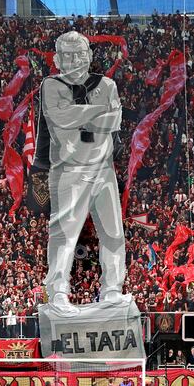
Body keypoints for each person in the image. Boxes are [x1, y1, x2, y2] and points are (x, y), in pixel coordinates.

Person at [35, 31, 125, 315]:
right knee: (63, 235)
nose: (75, 60)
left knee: (112, 233)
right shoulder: (50, 85)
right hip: (69, 171)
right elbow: (61, 119)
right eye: (69, 55)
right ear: (57, 59)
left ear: (89, 55)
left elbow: (116, 119)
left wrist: (79, 113)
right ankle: (58, 293)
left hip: (103, 169)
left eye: (80, 54)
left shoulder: (107, 84)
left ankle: (112, 290)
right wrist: (97, 112)